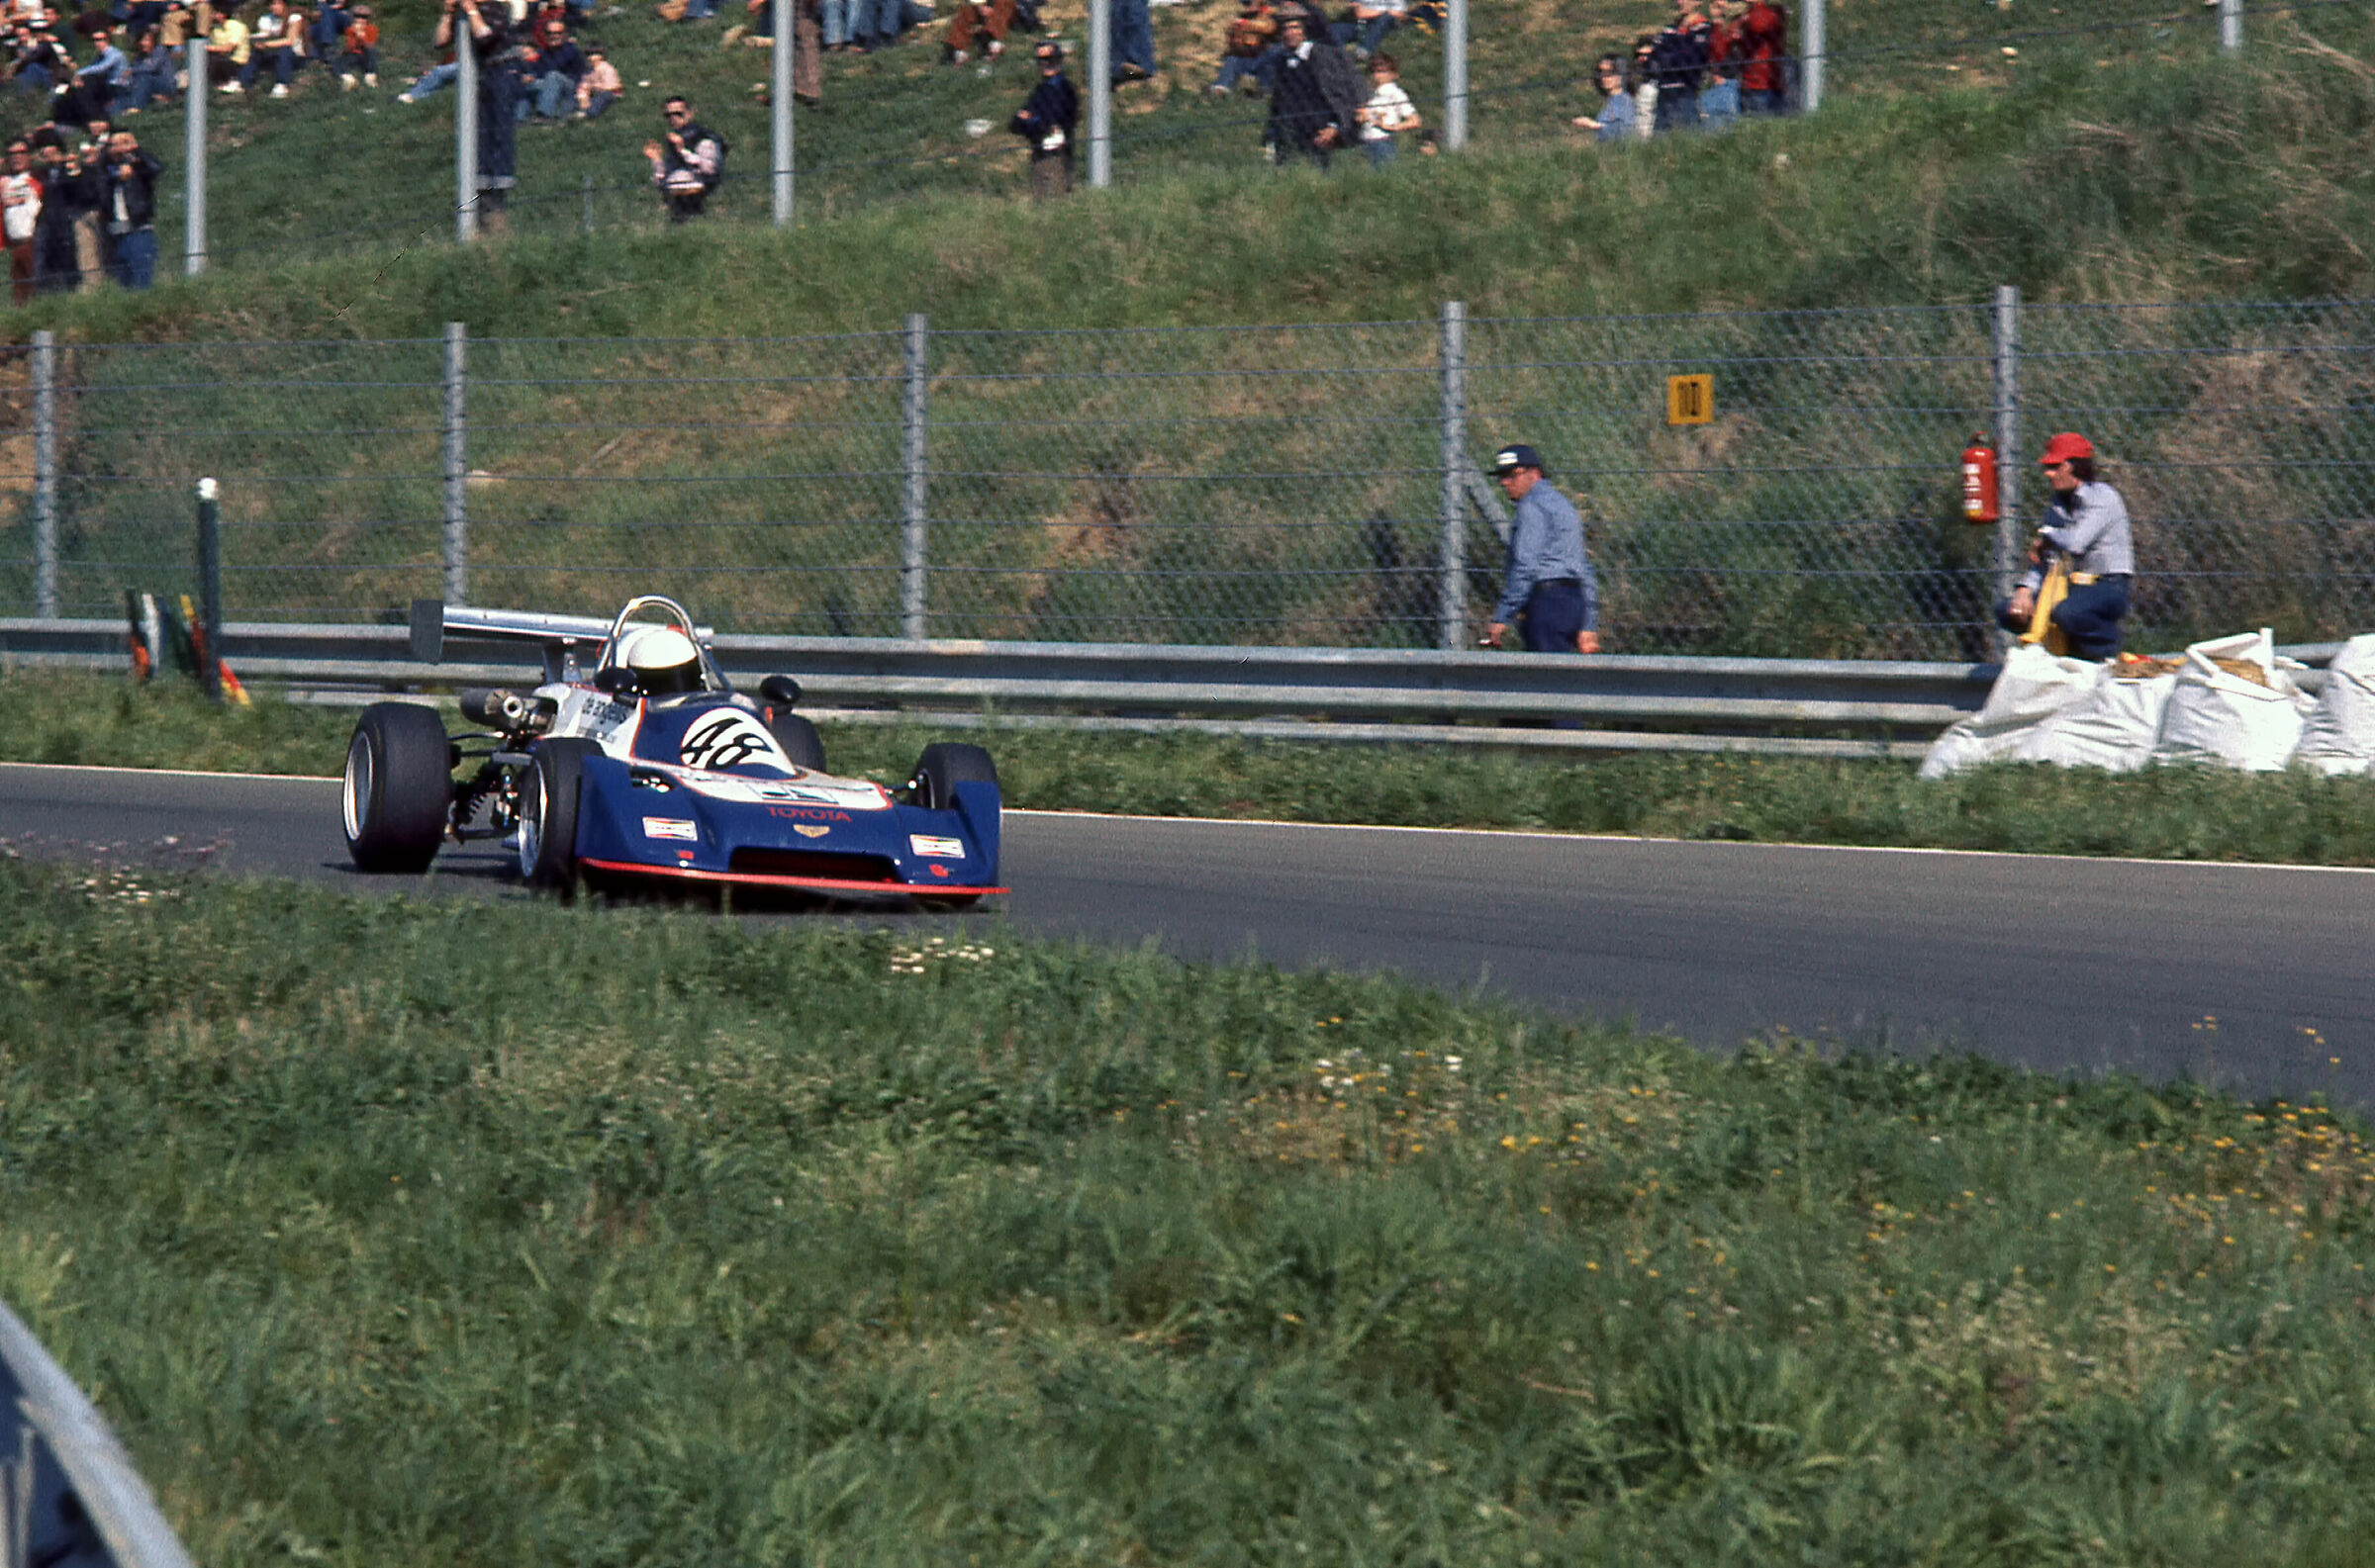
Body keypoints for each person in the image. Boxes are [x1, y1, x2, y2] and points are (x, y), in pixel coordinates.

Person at [1995, 432, 2135, 661]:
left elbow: (2076, 543)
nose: (2048, 473)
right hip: (2074, 586)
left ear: (2075, 467)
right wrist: (2024, 590)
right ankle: (2065, 655)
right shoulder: (2057, 506)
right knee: (2007, 610)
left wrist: (2046, 534)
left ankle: (2107, 657)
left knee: (2068, 613)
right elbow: (2045, 560)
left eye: (2054, 466)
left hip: (2109, 586)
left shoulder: (2103, 497)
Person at [1484, 443, 1600, 654]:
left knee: (1545, 673)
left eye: (1512, 475)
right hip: (1574, 603)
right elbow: (1584, 568)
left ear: (1534, 473)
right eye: (1502, 476)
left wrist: (1502, 615)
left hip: (1546, 605)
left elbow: (1525, 565)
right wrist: (1588, 623)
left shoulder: (1530, 507)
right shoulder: (1564, 506)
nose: (1504, 482)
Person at [435, 0, 520, 220]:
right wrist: (448, 14)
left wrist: (471, 10)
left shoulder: (496, 8)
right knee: (479, 133)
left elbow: (485, 36)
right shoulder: (462, 13)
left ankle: (498, 194)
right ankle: (481, 190)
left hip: (503, 68)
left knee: (499, 130)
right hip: (481, 73)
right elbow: (440, 41)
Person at [1264, 10, 1360, 170]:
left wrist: (1335, 126)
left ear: (1305, 31)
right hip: (1288, 134)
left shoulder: (1325, 56)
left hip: (1321, 131)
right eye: (1286, 29)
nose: (1290, 33)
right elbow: (1278, 103)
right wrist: (1271, 136)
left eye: (1295, 28)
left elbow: (1343, 92)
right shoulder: (1280, 62)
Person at [1008, 38, 1075, 199]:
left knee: (1055, 202)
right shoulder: (1040, 91)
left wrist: (1031, 120)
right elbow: (1015, 124)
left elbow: (1055, 122)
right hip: (1039, 156)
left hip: (1056, 156)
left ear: (1058, 61)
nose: (1045, 64)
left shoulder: (1063, 88)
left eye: (1049, 60)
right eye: (1040, 60)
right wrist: (1033, 122)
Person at [644, 94, 723, 221]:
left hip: (696, 196)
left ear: (689, 114)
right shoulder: (673, 140)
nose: (673, 118)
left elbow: (710, 169)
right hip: (674, 199)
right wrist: (656, 160)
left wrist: (683, 151)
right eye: (668, 115)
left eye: (678, 114)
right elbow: (663, 179)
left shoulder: (704, 139)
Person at [100, 126, 159, 287]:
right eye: (115, 144)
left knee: (142, 281)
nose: (120, 149)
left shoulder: (139, 166)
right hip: (115, 233)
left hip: (138, 230)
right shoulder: (105, 169)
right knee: (123, 283)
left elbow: (156, 168)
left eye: (124, 143)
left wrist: (137, 152)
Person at [1647, 0, 1708, 133]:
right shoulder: (1669, 29)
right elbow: (1653, 58)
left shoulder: (1703, 29)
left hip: (1685, 94)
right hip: (1663, 95)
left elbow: (1692, 61)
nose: (1681, 2)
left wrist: (1669, 56)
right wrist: (1677, 53)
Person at [1354, 48, 1414, 166]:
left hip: (1383, 142)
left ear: (1393, 74)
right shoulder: (1368, 94)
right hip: (1364, 143)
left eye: (1382, 71)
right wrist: (1361, 117)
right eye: (1373, 71)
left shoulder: (1395, 94)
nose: (1376, 75)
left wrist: (1391, 127)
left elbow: (1414, 121)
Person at [2, 140, 40, 305]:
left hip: (32, 239)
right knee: (19, 289)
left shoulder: (35, 179)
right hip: (13, 242)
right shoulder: (5, 182)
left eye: (21, 153)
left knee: (35, 283)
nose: (16, 157)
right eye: (12, 154)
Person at [1569, 53, 1632, 140]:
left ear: (1622, 75)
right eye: (1601, 72)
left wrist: (1593, 125)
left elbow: (1622, 131)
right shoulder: (1612, 100)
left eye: (1610, 72)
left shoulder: (1624, 100)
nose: (1604, 77)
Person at [1738, 0, 1785, 114]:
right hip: (1751, 82)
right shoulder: (1748, 13)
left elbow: (1759, 25)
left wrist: (1752, 10)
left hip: (1765, 83)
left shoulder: (1770, 13)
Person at [573, 38, 617, 116]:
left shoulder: (606, 68)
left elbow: (611, 86)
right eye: (588, 55)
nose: (591, 58)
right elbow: (584, 83)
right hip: (592, 94)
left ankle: (591, 112)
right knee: (576, 97)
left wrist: (594, 87)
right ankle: (577, 110)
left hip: (608, 92)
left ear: (602, 56)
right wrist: (582, 94)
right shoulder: (587, 70)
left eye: (595, 55)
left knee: (604, 97)